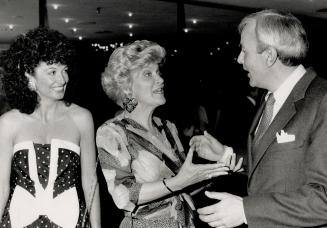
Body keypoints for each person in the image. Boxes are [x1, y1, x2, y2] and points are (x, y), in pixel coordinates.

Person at [191, 9, 327, 228]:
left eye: (245, 51)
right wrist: (226, 154)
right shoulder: (271, 98)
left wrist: (246, 210)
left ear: (269, 55)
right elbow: (276, 159)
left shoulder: (322, 100)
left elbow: (324, 200)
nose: (239, 59)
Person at [96, 40, 242, 227]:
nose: (160, 80)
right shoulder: (111, 132)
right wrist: (179, 182)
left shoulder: (167, 127)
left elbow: (184, 185)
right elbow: (123, 196)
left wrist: (220, 166)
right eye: (148, 74)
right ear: (127, 87)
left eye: (158, 73)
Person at [0, 27, 101, 228]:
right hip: (18, 221)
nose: (63, 80)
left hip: (71, 220)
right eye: (52, 72)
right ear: (29, 75)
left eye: (65, 70)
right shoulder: (8, 123)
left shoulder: (82, 118)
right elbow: (1, 186)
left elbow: (90, 182)